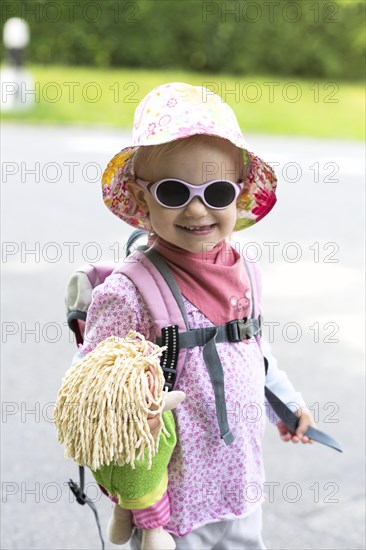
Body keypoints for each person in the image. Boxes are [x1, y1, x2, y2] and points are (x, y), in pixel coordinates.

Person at [79, 82, 315, 550]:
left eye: (217, 191)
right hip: (173, 497)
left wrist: (284, 401)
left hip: (237, 480)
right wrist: (127, 416)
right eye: (172, 191)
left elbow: (252, 349)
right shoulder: (131, 291)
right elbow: (90, 385)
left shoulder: (245, 271)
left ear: (240, 195)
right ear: (140, 198)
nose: (196, 208)